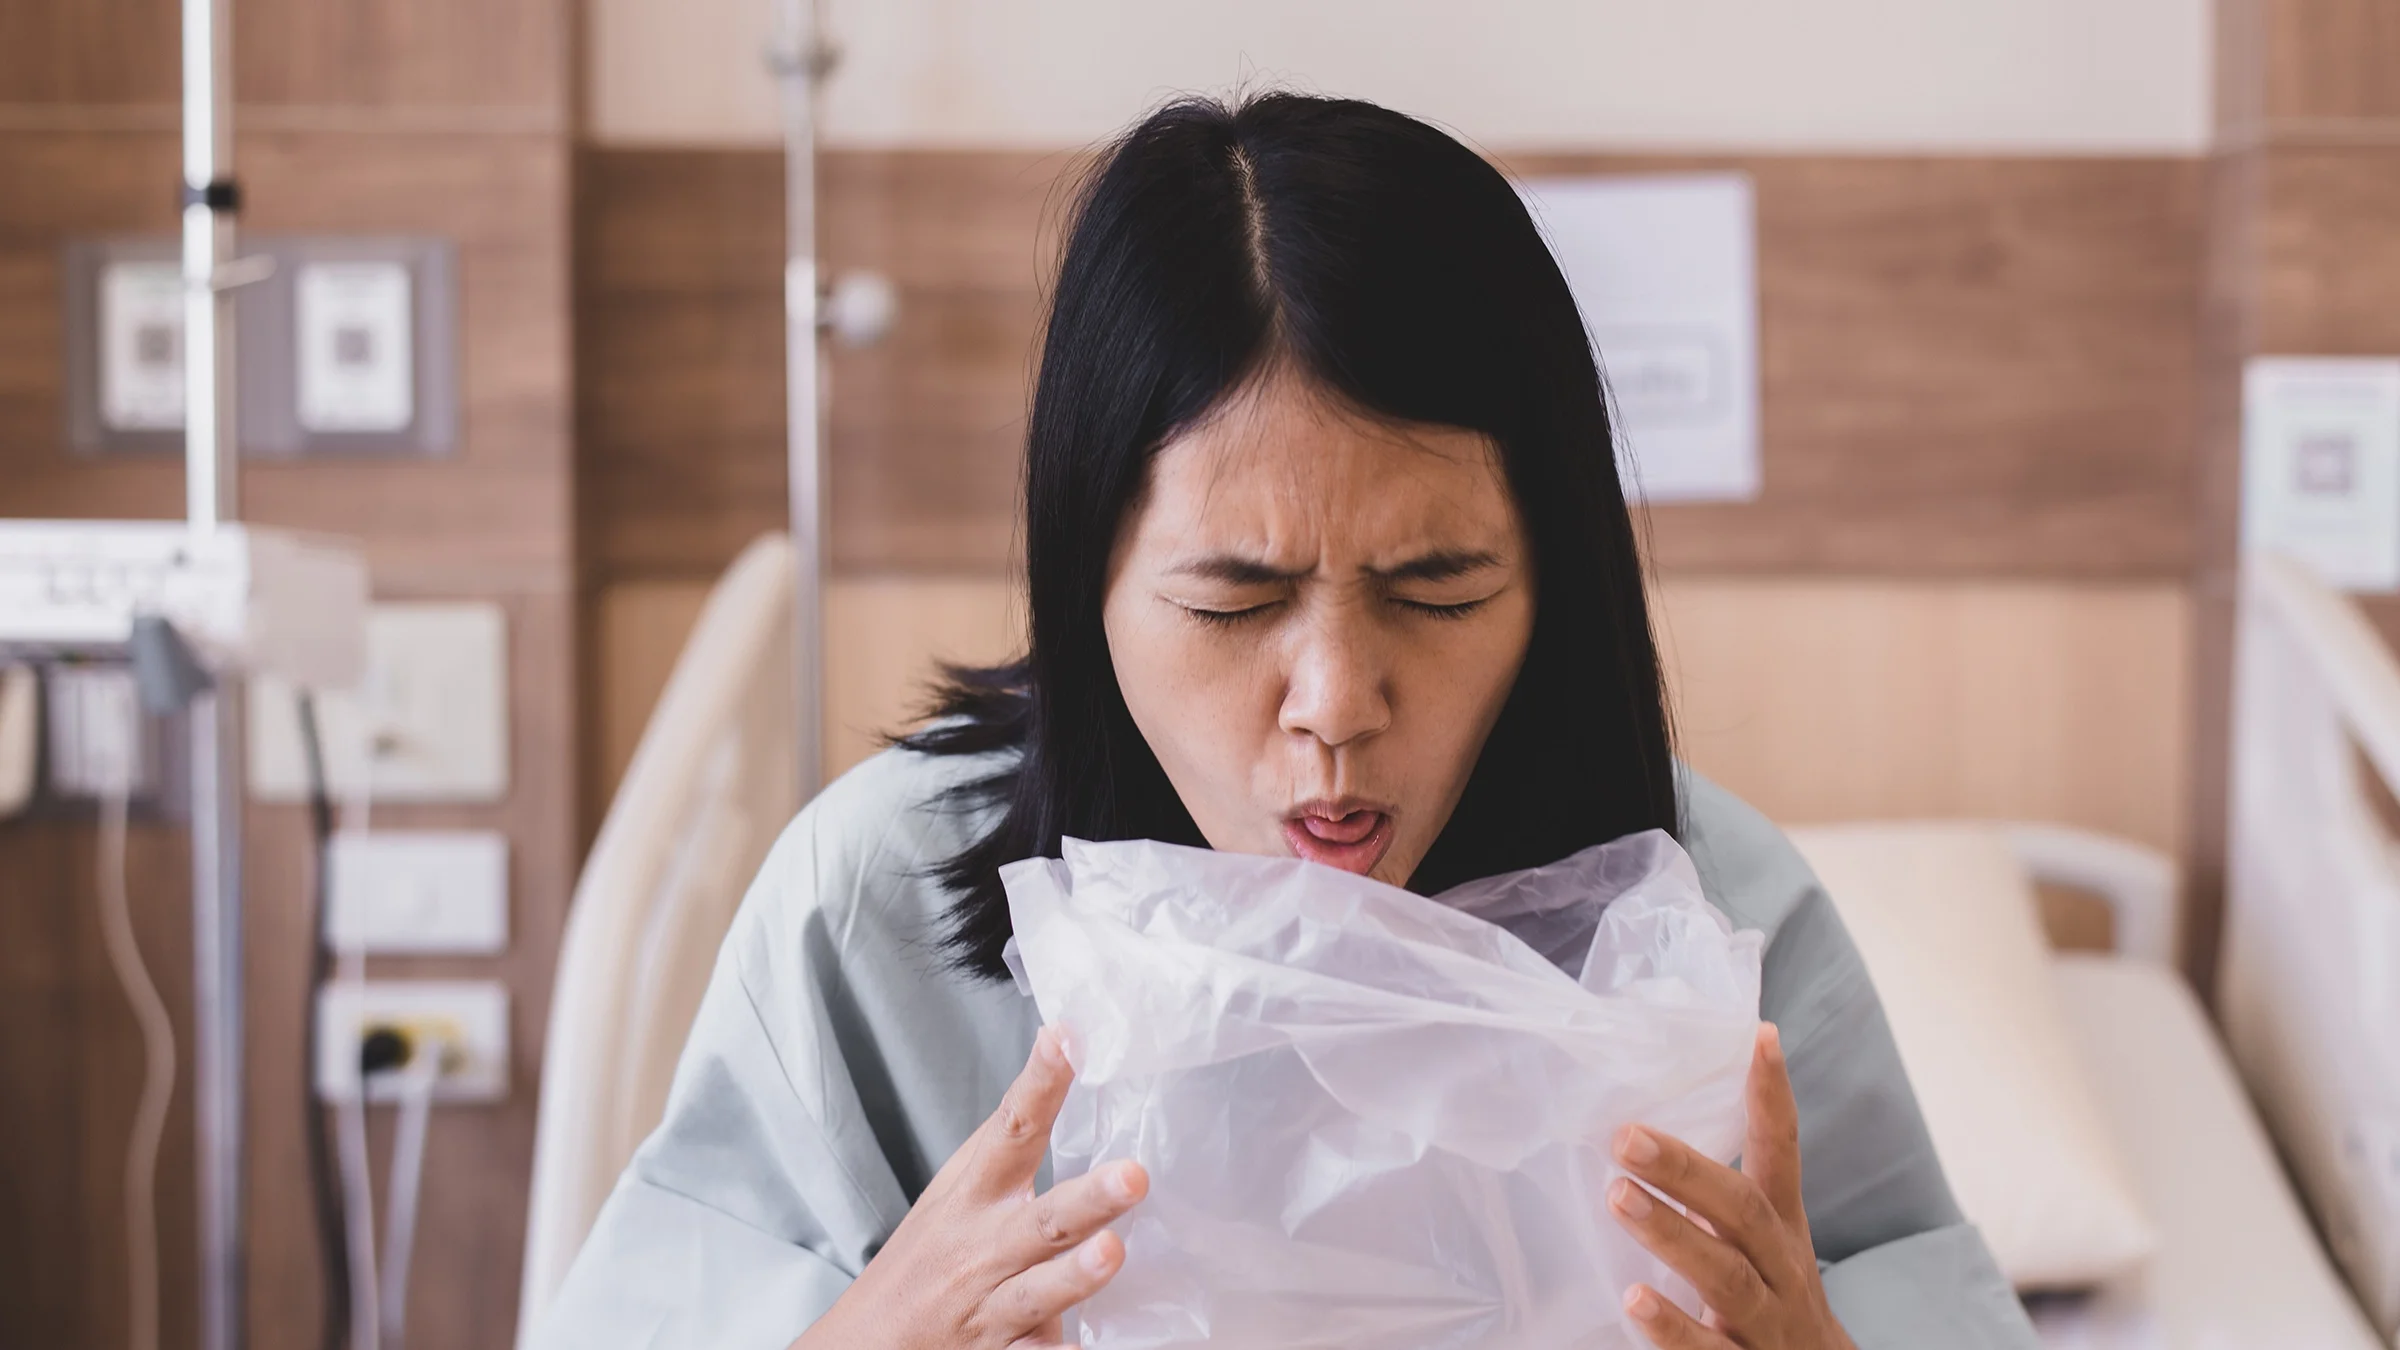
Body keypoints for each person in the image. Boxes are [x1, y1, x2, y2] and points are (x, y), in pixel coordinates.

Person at [534, 92, 2037, 1350]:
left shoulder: (1721, 928)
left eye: (1437, 589)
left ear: (1553, 586)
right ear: (1090, 586)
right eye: (1235, 601)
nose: (1334, 705)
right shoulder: (870, 916)